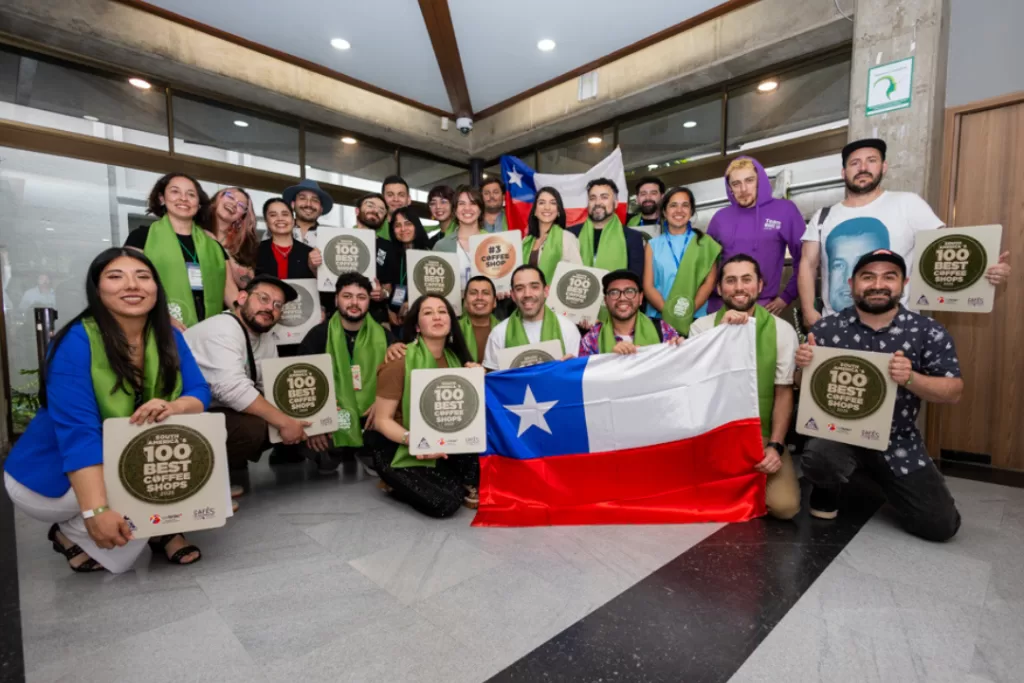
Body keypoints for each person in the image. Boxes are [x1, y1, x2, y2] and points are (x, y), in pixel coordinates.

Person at [4, 248, 210, 573]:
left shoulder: (169, 335)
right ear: (97, 289)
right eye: (116, 276)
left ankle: (161, 528)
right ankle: (70, 528)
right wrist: (94, 512)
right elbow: (79, 435)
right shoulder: (75, 342)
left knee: (173, 458)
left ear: (157, 288)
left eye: (143, 276)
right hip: (51, 476)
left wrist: (173, 406)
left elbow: (199, 392)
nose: (132, 285)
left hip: (125, 454)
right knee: (143, 477)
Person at [795, 249, 964, 541]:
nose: (877, 284)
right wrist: (803, 368)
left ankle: (874, 477)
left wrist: (910, 378)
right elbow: (801, 386)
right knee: (820, 457)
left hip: (897, 440)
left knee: (940, 526)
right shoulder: (827, 328)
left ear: (903, 283)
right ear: (852, 284)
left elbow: (953, 392)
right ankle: (829, 485)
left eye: (889, 277)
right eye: (867, 277)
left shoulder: (926, 331)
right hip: (839, 434)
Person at [799, 138, 1011, 323]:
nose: (863, 168)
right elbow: (808, 265)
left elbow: (946, 251)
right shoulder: (823, 217)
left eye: (871, 161)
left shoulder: (908, 204)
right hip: (836, 326)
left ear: (884, 167)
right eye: (855, 163)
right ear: (844, 172)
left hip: (897, 328)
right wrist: (809, 312)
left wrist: (984, 269)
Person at [689, 254, 800, 520]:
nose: (739, 287)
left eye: (746, 279)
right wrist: (723, 337)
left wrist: (775, 446)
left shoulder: (781, 330)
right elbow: (695, 390)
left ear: (760, 285)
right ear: (719, 288)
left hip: (759, 433)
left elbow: (783, 393)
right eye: (731, 281)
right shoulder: (701, 328)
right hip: (713, 434)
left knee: (785, 507)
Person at [184, 274, 308, 494]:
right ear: (241, 298)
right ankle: (202, 483)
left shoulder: (265, 337)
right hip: (181, 415)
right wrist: (285, 422)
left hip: (214, 409)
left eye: (277, 305)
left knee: (280, 416)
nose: (270, 308)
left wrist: (311, 408)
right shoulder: (222, 329)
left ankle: (225, 467)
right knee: (255, 428)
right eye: (263, 298)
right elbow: (232, 389)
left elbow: (269, 387)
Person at [373, 294, 479, 517]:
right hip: (398, 446)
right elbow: (382, 420)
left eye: (442, 311)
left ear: (451, 321)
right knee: (445, 503)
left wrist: (478, 379)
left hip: (443, 440)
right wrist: (417, 441)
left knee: (487, 474)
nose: (437, 317)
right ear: (417, 326)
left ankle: (448, 479)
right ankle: (392, 482)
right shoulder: (399, 360)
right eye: (428, 313)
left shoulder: (458, 361)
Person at [298, 272, 396, 474]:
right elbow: (301, 385)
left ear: (369, 301)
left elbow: (397, 379)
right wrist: (317, 418)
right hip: (333, 415)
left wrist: (383, 401)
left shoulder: (385, 336)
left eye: (361, 297)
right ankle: (341, 448)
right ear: (336, 299)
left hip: (371, 415)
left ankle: (365, 447)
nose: (354, 303)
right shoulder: (318, 335)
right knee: (324, 460)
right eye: (347, 296)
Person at [126, 172, 237, 330]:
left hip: (209, 331)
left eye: (191, 194)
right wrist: (161, 318)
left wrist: (247, 316)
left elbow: (230, 291)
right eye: (175, 191)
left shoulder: (213, 245)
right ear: (161, 198)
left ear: (198, 204)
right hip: (159, 328)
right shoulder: (142, 237)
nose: (183, 198)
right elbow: (131, 286)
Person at [705, 156, 805, 316]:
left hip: (762, 308)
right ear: (729, 188)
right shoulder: (720, 218)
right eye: (736, 184)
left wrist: (786, 296)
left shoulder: (785, 210)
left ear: (760, 181)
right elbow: (705, 266)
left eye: (749, 180)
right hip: (721, 308)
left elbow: (804, 259)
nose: (743, 189)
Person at [642, 187, 721, 335]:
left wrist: (686, 312)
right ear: (664, 211)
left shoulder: (706, 244)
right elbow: (648, 286)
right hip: (659, 319)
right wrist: (669, 313)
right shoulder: (652, 245)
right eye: (673, 205)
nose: (679, 210)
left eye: (685, 205)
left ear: (691, 211)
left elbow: (708, 284)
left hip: (696, 318)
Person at [482, 265, 581, 370]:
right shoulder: (498, 333)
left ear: (546, 291)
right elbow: (492, 378)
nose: (527, 294)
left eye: (534, 287)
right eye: (519, 288)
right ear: (513, 295)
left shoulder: (567, 328)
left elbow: (577, 376)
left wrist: (573, 367)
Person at [255, 198, 317, 355]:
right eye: (273, 215)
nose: (280, 219)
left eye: (285, 214)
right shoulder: (255, 252)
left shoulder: (310, 253)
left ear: (293, 219)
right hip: (265, 326)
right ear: (267, 221)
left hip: (302, 326)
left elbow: (320, 290)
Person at [578, 269, 680, 357]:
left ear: (640, 298)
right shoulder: (591, 338)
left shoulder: (663, 329)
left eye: (630, 291)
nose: (622, 298)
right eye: (614, 293)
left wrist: (678, 349)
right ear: (606, 301)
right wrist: (611, 359)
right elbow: (584, 375)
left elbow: (678, 369)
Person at [569, 178, 646, 279]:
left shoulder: (633, 237)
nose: (597, 203)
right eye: (592, 198)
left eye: (604, 197)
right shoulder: (570, 234)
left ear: (616, 203)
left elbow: (636, 279)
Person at [433, 185, 496, 292]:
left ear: (480, 209)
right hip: (454, 307)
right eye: (461, 204)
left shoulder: (494, 242)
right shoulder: (441, 246)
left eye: (473, 203)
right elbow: (435, 286)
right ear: (455, 210)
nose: (467, 208)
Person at [521, 186, 583, 285]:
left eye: (553, 203)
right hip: (527, 298)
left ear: (558, 211)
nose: (547, 207)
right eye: (542, 203)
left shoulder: (566, 238)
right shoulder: (525, 241)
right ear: (535, 211)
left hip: (555, 298)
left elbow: (577, 275)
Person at [202, 187, 259, 290]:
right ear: (217, 198)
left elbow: (247, 284)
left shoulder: (246, 246)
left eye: (241, 205)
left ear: (241, 217)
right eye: (230, 197)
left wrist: (218, 248)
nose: (234, 204)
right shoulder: (195, 229)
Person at [387, 206, 432, 328]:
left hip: (421, 317)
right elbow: (387, 287)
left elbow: (433, 289)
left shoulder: (429, 254)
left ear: (416, 226)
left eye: (408, 224)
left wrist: (412, 303)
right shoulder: (391, 254)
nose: (403, 229)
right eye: (397, 225)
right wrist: (389, 310)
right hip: (395, 318)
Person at [283, 178, 333, 248]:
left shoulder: (330, 238)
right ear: (293, 204)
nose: (308, 204)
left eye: (315, 200)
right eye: (302, 198)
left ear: (321, 209)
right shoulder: (276, 232)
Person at [459, 275, 499, 364]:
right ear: (465, 302)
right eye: (473, 293)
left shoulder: (505, 330)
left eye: (485, 293)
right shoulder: (452, 331)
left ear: (494, 302)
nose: (479, 297)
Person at [379, 175, 412, 240]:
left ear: (409, 199)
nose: (396, 199)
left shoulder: (420, 233)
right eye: (390, 195)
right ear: (382, 199)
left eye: (401, 195)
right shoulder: (371, 231)